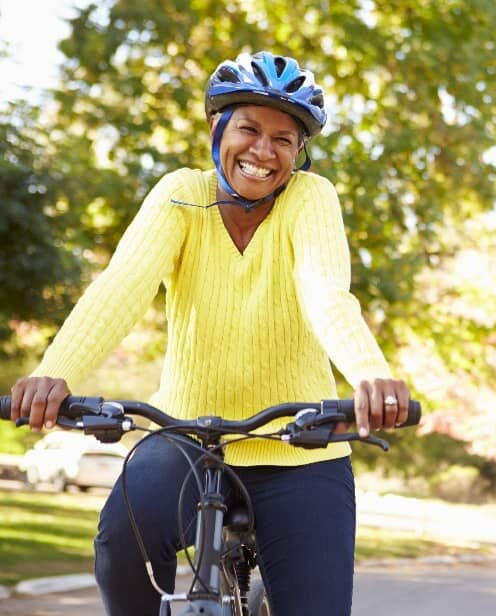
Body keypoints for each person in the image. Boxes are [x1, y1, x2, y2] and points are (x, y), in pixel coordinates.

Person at [7, 51, 411, 616]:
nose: (263, 151)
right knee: (120, 541)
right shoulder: (180, 194)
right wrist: (56, 372)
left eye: (284, 139)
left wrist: (370, 374)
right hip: (185, 439)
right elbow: (123, 284)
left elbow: (326, 293)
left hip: (300, 449)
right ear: (218, 128)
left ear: (300, 153)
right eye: (248, 128)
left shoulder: (310, 199)